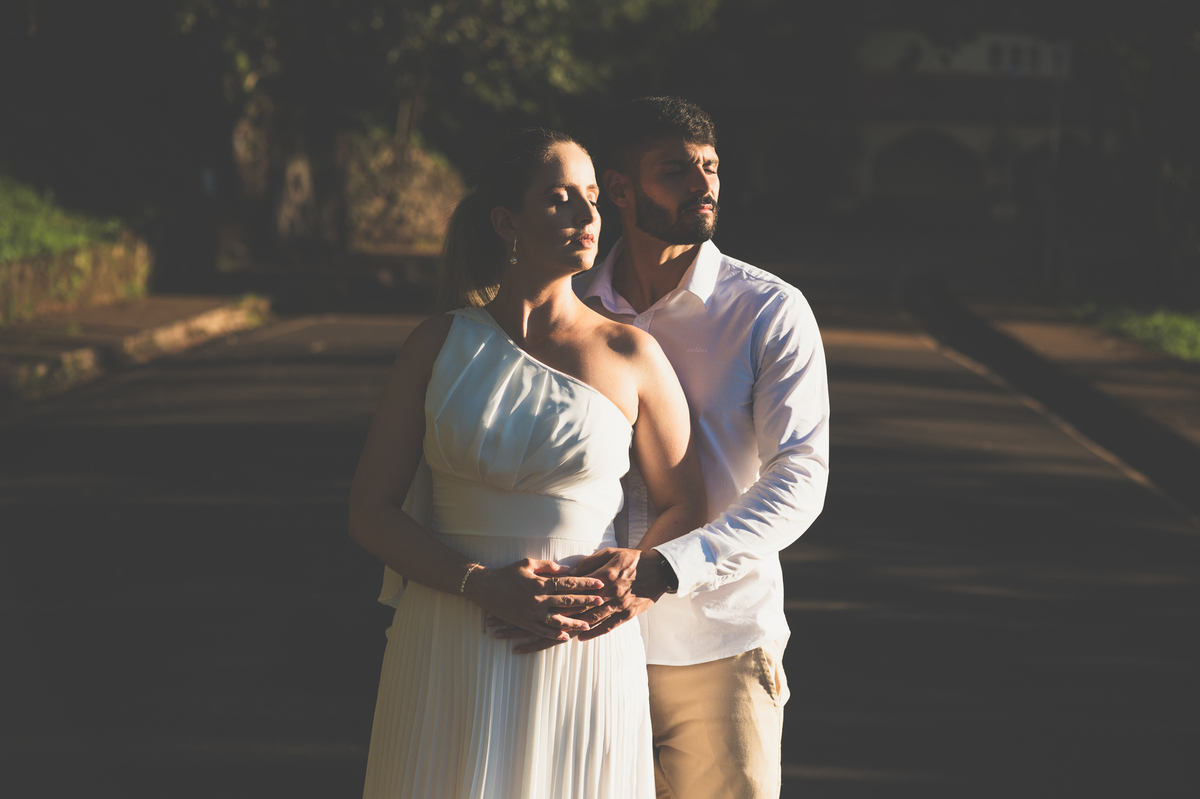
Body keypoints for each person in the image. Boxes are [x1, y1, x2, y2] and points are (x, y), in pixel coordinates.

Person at [348, 128, 708, 799]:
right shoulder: (436, 344)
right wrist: (478, 584)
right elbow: (369, 509)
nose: (587, 213)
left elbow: (687, 503)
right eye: (559, 197)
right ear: (506, 222)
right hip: (450, 629)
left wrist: (635, 577)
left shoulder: (632, 354)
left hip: (581, 640)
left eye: (593, 197)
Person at [499, 97, 830, 798]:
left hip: (718, 644)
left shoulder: (767, 309)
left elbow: (800, 476)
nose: (704, 185)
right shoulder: (570, 304)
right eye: (677, 170)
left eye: (711, 167)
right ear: (619, 189)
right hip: (579, 642)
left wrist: (668, 567)